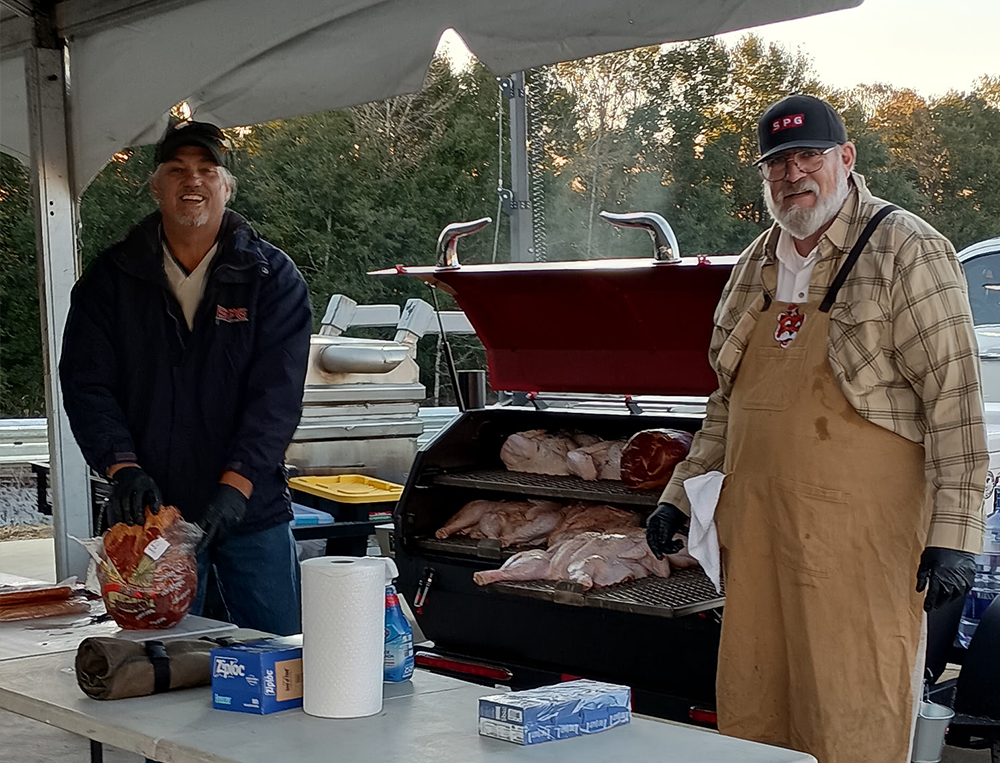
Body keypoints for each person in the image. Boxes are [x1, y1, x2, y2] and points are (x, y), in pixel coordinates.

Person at [646, 94, 987, 762]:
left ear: (846, 159)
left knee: (851, 710)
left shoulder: (908, 249)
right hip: (761, 542)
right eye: (777, 163)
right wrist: (678, 494)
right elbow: (727, 404)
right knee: (756, 708)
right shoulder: (753, 267)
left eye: (808, 156)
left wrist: (956, 534)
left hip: (861, 549)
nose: (793, 173)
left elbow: (957, 402)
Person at [60, 119, 312, 637]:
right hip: (148, 518)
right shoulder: (111, 279)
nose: (191, 181)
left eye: (206, 170)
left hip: (248, 512)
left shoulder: (272, 278)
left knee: (280, 654)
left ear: (227, 186)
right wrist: (122, 468)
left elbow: (278, 397)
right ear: (155, 186)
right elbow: (87, 384)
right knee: (161, 668)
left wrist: (237, 486)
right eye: (176, 170)